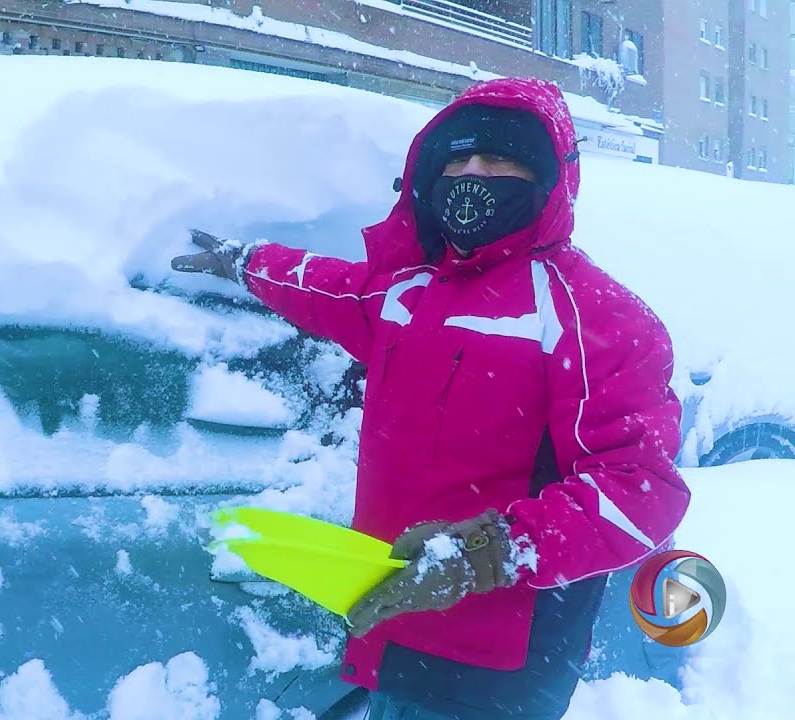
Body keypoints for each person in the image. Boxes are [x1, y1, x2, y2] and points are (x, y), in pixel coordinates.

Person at [172, 77, 690, 719]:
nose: (472, 175)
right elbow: (327, 288)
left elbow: (640, 490)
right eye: (456, 160)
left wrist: (484, 555)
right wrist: (246, 261)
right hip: (393, 631)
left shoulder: (595, 316)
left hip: (498, 673)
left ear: (547, 179)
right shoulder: (409, 292)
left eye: (497, 159)